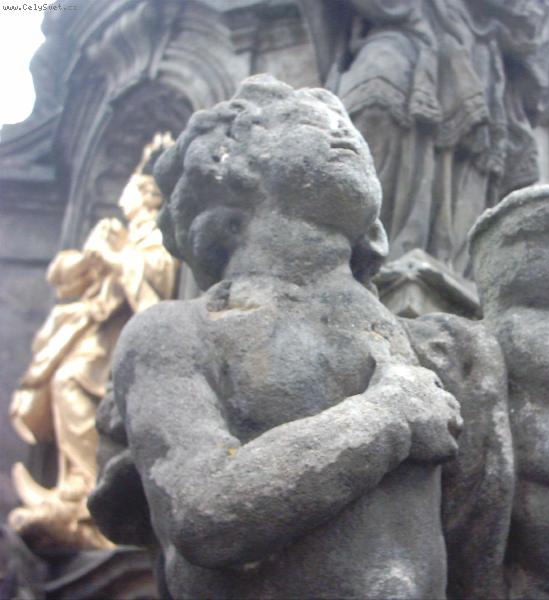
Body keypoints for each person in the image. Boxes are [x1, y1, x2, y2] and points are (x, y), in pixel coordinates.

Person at [89, 76, 462, 599]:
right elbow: (204, 512)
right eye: (312, 121)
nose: (347, 135)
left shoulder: (437, 349)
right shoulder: (175, 332)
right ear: (230, 161)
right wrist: (388, 418)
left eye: (349, 126)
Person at [301, 0, 549, 274]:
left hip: (472, 40)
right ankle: (361, 256)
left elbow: (532, 21)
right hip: (393, 27)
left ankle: (435, 262)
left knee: (462, 150)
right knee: (372, 111)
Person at [8, 135, 177, 549]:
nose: (124, 198)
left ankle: (89, 492)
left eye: (131, 191)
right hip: (93, 332)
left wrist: (117, 260)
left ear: (146, 196)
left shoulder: (156, 233)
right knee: (62, 382)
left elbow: (158, 277)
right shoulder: (119, 233)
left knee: (70, 382)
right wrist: (92, 258)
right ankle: (76, 486)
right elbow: (64, 278)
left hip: (122, 338)